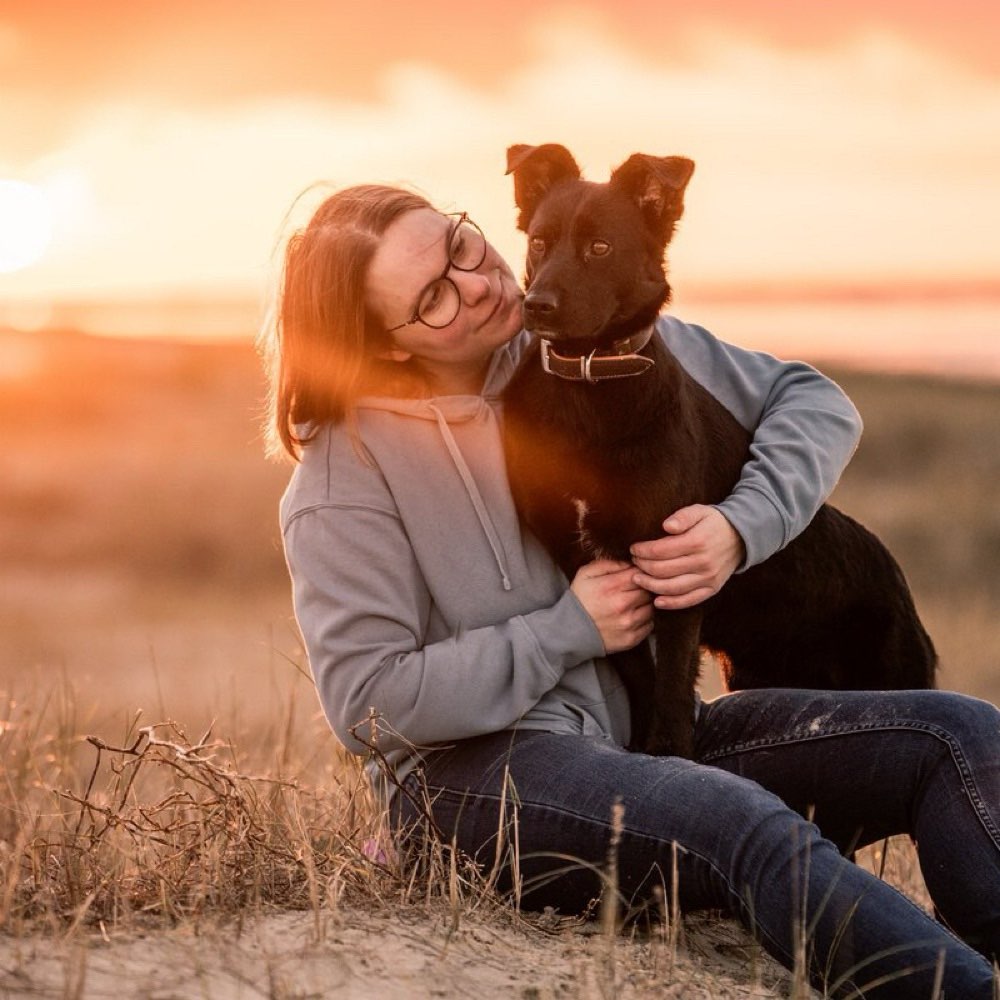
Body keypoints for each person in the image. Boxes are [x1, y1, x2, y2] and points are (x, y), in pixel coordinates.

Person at [262, 183, 1000, 998]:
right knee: (737, 820)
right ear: (388, 344)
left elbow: (810, 401)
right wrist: (564, 630)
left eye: (462, 244)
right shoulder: (342, 482)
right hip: (476, 787)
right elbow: (369, 703)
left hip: (640, 734)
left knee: (955, 735)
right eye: (433, 296)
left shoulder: (593, 348)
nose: (479, 281)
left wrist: (738, 526)